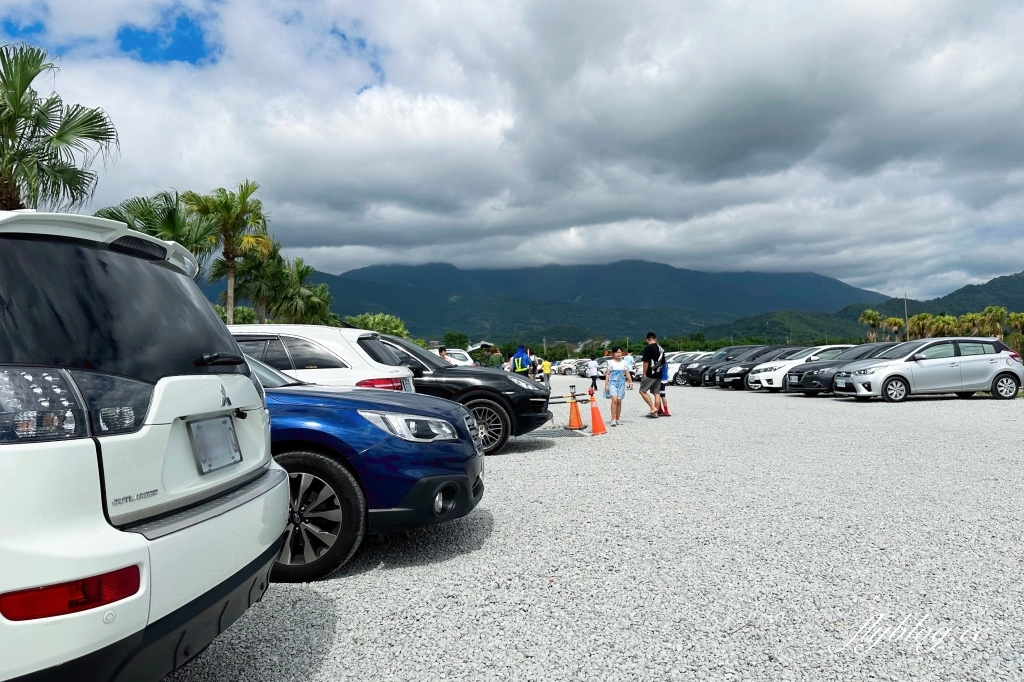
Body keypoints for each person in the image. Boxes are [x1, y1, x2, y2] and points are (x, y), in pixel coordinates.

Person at [604, 347, 632, 426]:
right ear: (613, 354)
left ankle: (618, 418)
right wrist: (606, 385)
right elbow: (608, 374)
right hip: (612, 383)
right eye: (616, 352)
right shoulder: (610, 362)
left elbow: (627, 373)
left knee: (619, 401)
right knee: (614, 400)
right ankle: (613, 419)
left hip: (621, 383)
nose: (618, 354)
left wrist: (630, 382)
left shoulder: (624, 362)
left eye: (620, 352)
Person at [639, 331, 665, 418]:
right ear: (655, 339)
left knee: (642, 391)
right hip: (659, 373)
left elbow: (646, 362)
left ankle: (653, 408)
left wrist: (644, 373)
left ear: (647, 340)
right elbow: (663, 362)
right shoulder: (661, 349)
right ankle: (655, 413)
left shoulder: (648, 348)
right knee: (656, 393)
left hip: (650, 373)